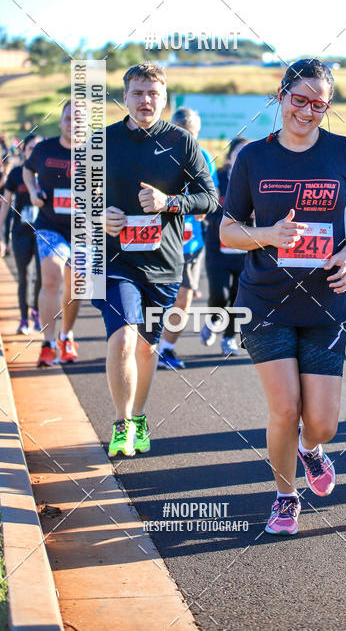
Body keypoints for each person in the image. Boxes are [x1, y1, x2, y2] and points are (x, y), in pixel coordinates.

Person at [221, 59, 346, 535]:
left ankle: (311, 448)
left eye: (319, 104)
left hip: (325, 300)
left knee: (323, 423)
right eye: (299, 99)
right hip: (265, 300)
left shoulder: (344, 152)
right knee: (285, 409)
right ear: (281, 95)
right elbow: (227, 231)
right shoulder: (253, 157)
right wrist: (268, 235)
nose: (307, 112)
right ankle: (285, 496)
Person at [92, 64, 218, 458]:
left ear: (164, 99)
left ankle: (139, 416)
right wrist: (100, 215)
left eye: (153, 94)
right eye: (138, 93)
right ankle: (121, 424)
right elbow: (81, 198)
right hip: (115, 261)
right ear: (125, 97)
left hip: (163, 263)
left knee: (147, 349)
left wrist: (170, 202)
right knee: (123, 336)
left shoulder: (182, 142)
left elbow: (210, 199)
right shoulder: (102, 141)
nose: (145, 100)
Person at [157, 107, 218, 370]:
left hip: (190, 243)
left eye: (192, 134)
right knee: (155, 297)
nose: (188, 140)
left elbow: (210, 196)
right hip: (157, 240)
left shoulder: (204, 157)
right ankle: (145, 346)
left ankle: (165, 348)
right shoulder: (157, 154)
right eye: (182, 133)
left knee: (184, 297)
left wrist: (203, 208)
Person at [23, 102, 81, 366]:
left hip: (83, 229)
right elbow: (27, 169)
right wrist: (33, 192)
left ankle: (66, 336)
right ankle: (47, 343)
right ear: (61, 121)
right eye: (68, 118)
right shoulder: (44, 149)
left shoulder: (96, 153)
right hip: (50, 225)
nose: (73, 124)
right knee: (51, 277)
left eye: (78, 120)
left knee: (76, 284)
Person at [201, 137, 248, 356]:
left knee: (239, 298)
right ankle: (213, 319)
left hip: (245, 251)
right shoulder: (217, 179)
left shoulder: (257, 179)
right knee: (219, 294)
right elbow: (207, 206)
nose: (242, 157)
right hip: (217, 249)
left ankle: (229, 337)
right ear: (229, 158)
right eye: (238, 153)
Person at [0, 134, 43, 334]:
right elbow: (5, 204)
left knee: (42, 277)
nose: (34, 151)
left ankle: (36, 311)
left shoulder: (46, 172)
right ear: (24, 150)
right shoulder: (16, 174)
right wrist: (1, 235)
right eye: (31, 148)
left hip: (44, 233)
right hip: (20, 233)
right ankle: (24, 319)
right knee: (24, 277)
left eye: (38, 147)